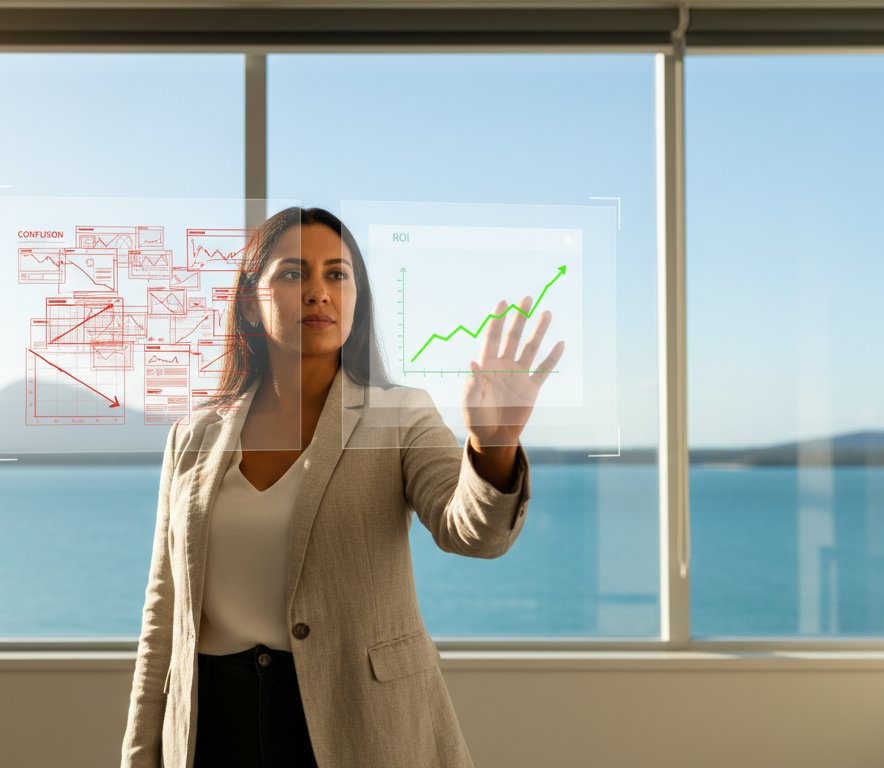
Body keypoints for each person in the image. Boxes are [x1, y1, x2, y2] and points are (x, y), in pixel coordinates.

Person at [120, 206, 564, 768]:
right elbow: (163, 615)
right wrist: (139, 755)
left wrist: (491, 447)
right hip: (213, 723)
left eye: (337, 273)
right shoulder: (194, 435)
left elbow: (471, 532)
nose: (317, 292)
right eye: (291, 273)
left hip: (358, 721)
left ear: (357, 296)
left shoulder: (399, 415)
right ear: (251, 299)